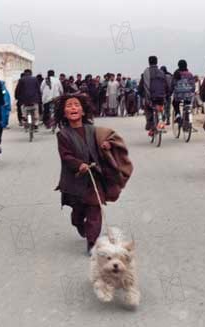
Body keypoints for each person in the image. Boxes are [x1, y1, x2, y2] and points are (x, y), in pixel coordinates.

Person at [54, 94, 133, 254]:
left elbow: (108, 141)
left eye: (76, 105)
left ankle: (92, 243)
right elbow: (66, 156)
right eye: (69, 106)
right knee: (78, 213)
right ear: (64, 113)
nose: (73, 108)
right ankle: (78, 224)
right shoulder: (63, 135)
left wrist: (106, 145)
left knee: (94, 210)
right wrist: (79, 165)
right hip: (74, 180)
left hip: (94, 177)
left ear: (83, 111)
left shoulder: (94, 130)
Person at [140, 56, 169, 135]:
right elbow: (166, 86)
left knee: (148, 108)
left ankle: (150, 124)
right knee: (160, 109)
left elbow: (141, 87)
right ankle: (161, 124)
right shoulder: (162, 73)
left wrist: (142, 94)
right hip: (161, 97)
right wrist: (166, 95)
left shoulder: (146, 72)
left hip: (150, 97)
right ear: (157, 62)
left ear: (149, 62)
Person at [171, 60, 195, 126]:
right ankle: (187, 121)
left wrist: (171, 92)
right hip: (188, 95)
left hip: (178, 95)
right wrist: (191, 92)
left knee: (175, 103)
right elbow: (193, 86)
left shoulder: (176, 74)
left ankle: (178, 115)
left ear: (178, 66)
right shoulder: (190, 74)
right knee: (187, 105)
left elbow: (172, 85)